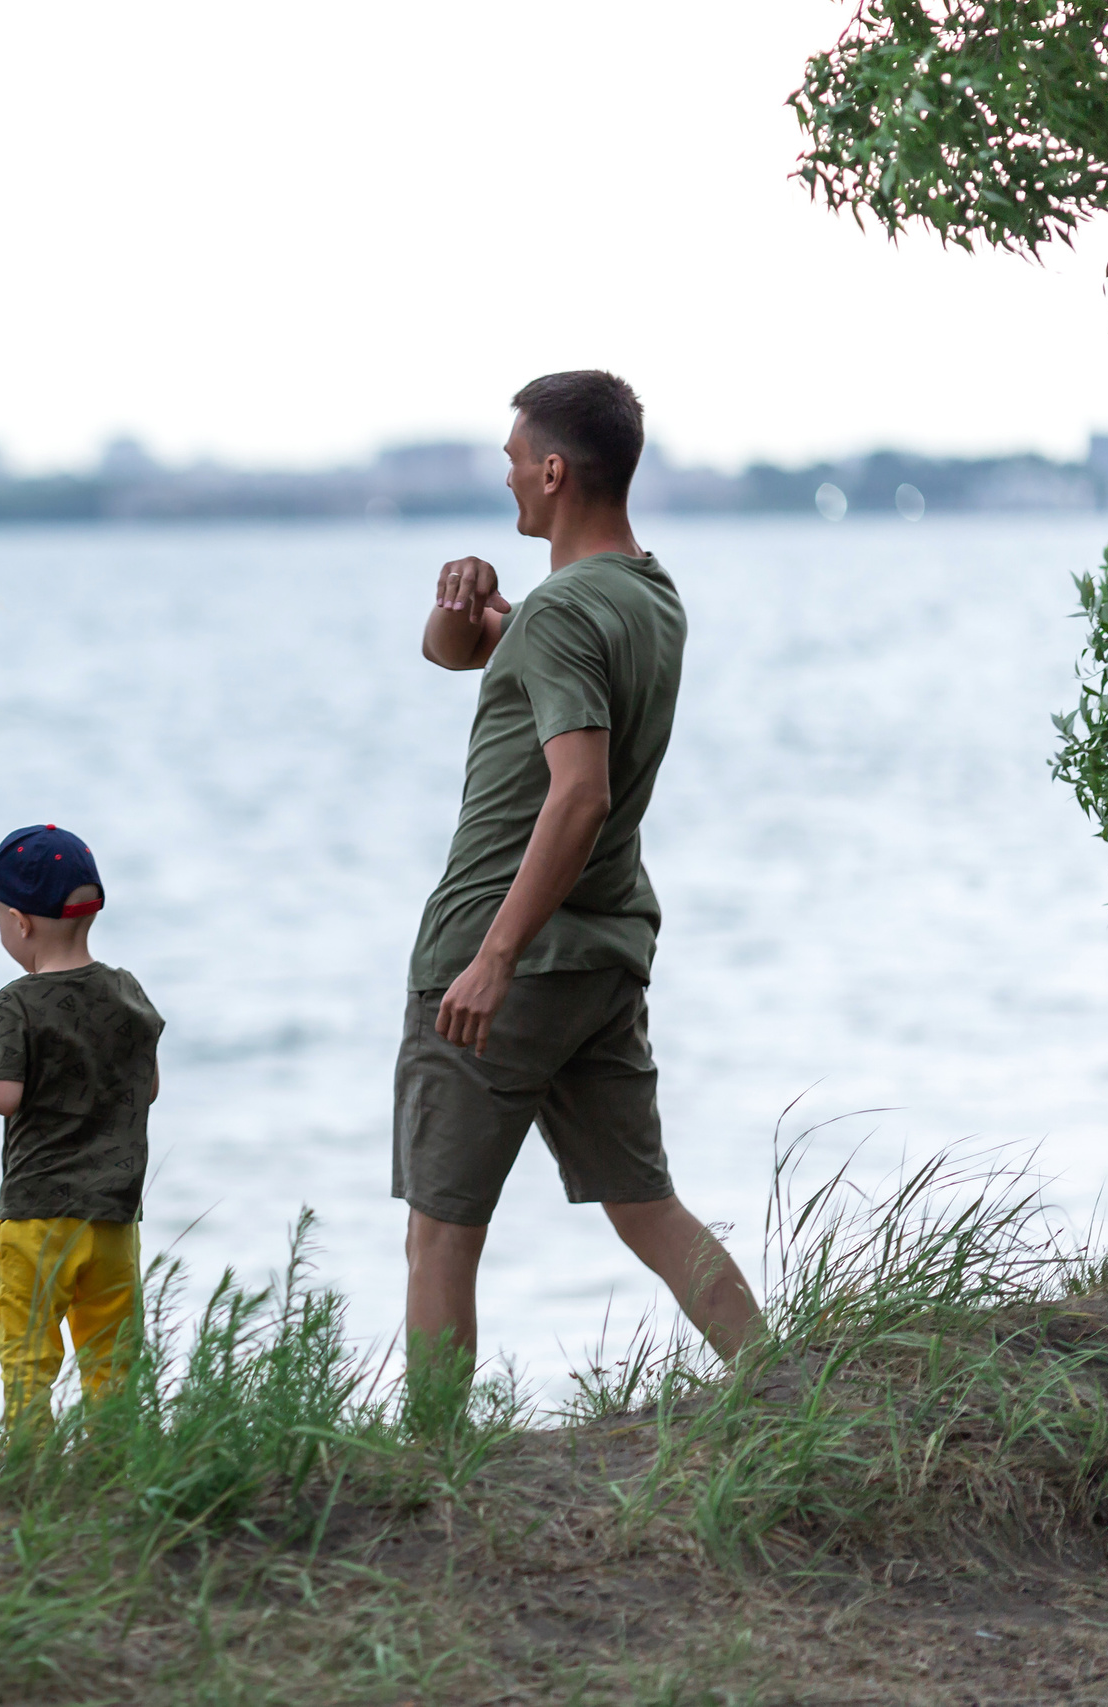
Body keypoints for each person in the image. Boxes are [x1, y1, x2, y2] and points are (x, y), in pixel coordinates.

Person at [398, 369, 759, 1399]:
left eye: (514, 461)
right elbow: (453, 656)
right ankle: (781, 1388)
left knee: (438, 1235)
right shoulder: (645, 595)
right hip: (600, 952)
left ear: (552, 471)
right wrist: (462, 606)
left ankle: (428, 1472)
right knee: (644, 1204)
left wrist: (492, 960)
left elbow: (578, 796)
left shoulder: (561, 615)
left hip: (497, 957)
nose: (507, 478)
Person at [0, 824, 163, 1425]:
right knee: (113, 1360)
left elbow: (4, 1097)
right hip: (115, 1221)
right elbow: (147, 1088)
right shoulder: (129, 992)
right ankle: (118, 1461)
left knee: (28, 1360)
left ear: (21, 923)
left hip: (38, 1215)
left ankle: (27, 1466)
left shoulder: (16, 1002)